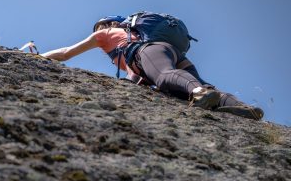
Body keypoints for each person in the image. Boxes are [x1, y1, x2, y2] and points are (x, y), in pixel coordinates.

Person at [41, 15, 264, 120]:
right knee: (192, 82)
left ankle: (200, 93)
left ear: (106, 25)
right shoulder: (132, 33)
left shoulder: (104, 34)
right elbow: (137, 78)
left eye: (98, 25)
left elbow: (65, 53)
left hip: (148, 52)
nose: (97, 30)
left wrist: (37, 57)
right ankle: (246, 109)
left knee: (165, 77)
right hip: (170, 51)